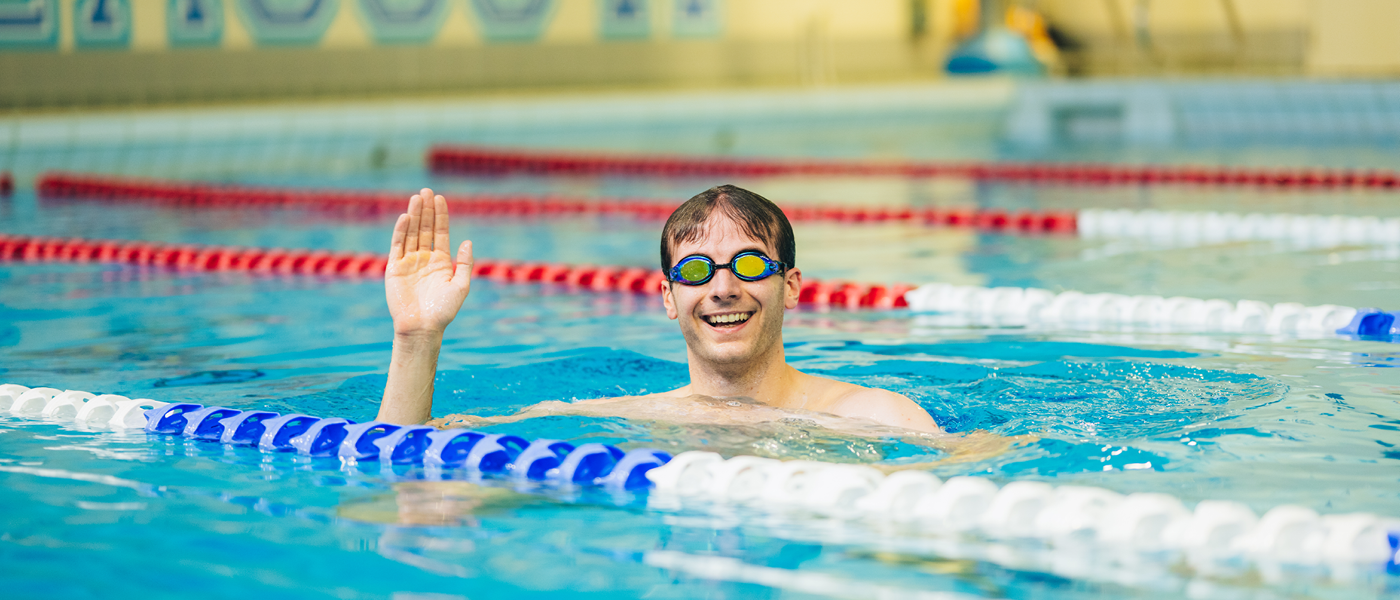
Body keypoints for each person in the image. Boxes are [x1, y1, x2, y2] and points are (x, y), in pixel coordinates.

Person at [376, 185, 943, 435]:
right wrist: (417, 337)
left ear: (790, 286)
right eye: (696, 270)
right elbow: (411, 466)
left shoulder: (877, 417)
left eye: (748, 264)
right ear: (669, 298)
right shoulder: (625, 420)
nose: (722, 288)